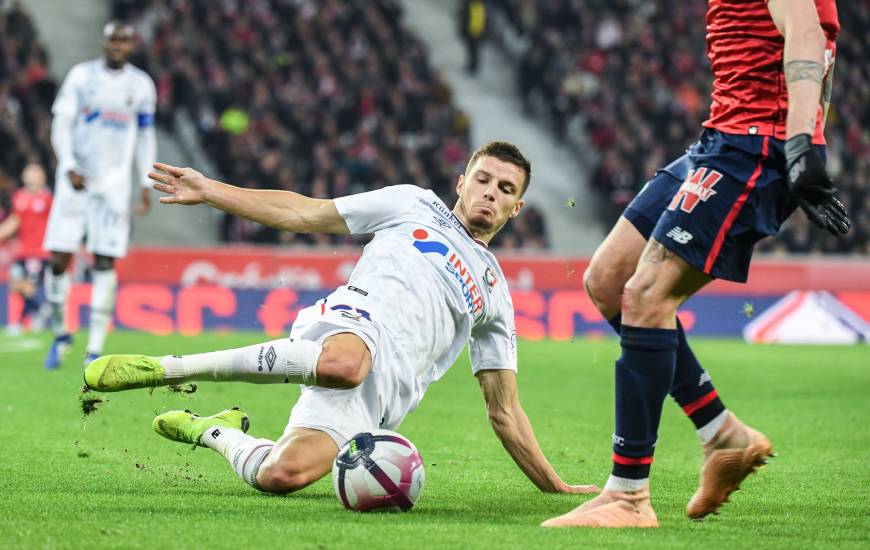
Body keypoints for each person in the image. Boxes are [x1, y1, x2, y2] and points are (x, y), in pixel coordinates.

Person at [84, 141, 600, 498]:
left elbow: (504, 410)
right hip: (356, 324)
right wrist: (213, 190)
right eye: (483, 179)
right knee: (344, 364)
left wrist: (553, 485)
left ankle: (210, 430)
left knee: (281, 475)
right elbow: (302, 213)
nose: (491, 192)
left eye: (505, 189)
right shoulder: (412, 204)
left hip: (386, 391)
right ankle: (172, 369)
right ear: (461, 183)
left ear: (517, 207)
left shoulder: (496, 295)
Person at [542, 0, 849, 528]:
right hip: (720, 138)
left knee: (646, 294)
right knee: (610, 280)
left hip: (757, 146)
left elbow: (805, 34)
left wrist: (801, 141)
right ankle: (721, 433)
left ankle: (628, 497)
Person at [42, 21, 156, 369]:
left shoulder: (141, 85)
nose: (117, 45)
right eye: (112, 40)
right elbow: (61, 123)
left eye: (124, 40)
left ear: (131, 46)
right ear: (104, 43)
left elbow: (145, 136)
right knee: (59, 258)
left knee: (104, 260)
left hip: (114, 186)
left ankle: (94, 348)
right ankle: (62, 333)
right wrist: (68, 165)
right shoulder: (81, 77)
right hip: (75, 180)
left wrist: (146, 182)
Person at [0, 163, 52, 334]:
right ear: (24, 177)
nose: (32, 177)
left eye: (36, 174)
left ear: (42, 178)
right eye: (29, 174)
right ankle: (35, 313)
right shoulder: (19, 197)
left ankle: (41, 309)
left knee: (28, 284)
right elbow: (15, 221)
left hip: (39, 252)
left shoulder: (47, 199)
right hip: (22, 251)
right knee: (16, 283)